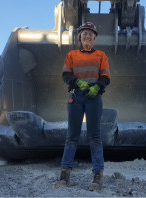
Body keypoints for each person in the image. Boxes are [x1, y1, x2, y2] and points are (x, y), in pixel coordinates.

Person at [55, 22, 111, 191]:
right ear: (80, 37)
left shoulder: (101, 55)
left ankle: (97, 177)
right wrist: (76, 82)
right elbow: (66, 75)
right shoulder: (72, 55)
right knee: (72, 136)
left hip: (93, 98)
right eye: (85, 34)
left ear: (94, 39)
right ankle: (64, 176)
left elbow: (106, 76)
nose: (87, 37)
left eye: (91, 34)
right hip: (76, 96)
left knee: (94, 137)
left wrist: (98, 87)